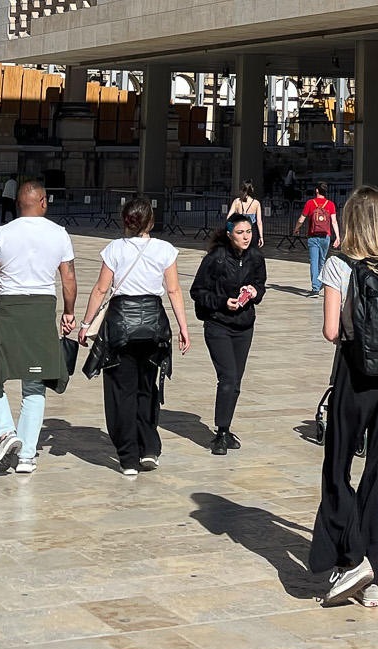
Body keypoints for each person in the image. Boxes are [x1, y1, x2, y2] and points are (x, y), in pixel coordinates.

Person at [309, 186, 378, 608]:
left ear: (352, 219)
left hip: (355, 379)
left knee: (338, 470)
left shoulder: (339, 265)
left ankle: (351, 557)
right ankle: (372, 571)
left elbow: (331, 331)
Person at [0, 177, 76, 476]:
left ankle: (4, 432)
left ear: (18, 203)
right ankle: (26, 455)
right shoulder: (59, 234)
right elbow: (68, 278)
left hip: (9, 310)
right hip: (41, 312)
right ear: (43, 202)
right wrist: (69, 312)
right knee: (34, 385)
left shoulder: (2, 233)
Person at [81, 194, 190, 477]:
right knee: (147, 387)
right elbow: (174, 291)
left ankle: (128, 456)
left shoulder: (115, 249)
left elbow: (100, 290)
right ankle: (149, 447)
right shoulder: (165, 249)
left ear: (125, 221)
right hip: (154, 325)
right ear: (150, 222)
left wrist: (86, 323)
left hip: (120, 327)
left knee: (121, 391)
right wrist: (183, 327)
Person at [190, 215, 267, 455]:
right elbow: (198, 291)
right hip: (218, 325)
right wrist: (224, 302)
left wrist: (255, 291)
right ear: (229, 234)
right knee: (228, 377)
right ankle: (221, 433)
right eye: (241, 232)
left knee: (235, 382)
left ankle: (226, 427)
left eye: (249, 232)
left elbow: (261, 284)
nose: (246, 237)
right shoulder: (216, 258)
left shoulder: (255, 257)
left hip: (244, 326)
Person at [295, 181, 340, 295]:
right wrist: (338, 237)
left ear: (316, 190)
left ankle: (315, 288)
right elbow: (334, 221)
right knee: (322, 261)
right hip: (326, 236)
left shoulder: (310, 203)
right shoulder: (330, 204)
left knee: (313, 262)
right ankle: (319, 284)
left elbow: (301, 219)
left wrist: (296, 228)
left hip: (313, 236)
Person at [225, 181, 263, 248]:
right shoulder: (256, 203)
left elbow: (229, 217)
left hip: (240, 227)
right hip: (252, 228)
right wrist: (261, 236)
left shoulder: (237, 202)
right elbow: (259, 222)